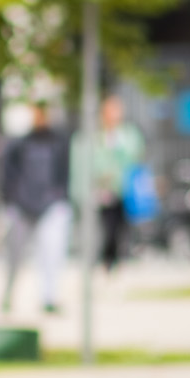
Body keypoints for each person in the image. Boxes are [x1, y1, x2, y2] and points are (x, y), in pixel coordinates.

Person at [0, 102, 71, 315]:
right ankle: (8, 295)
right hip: (22, 206)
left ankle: (48, 296)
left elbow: (63, 175)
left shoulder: (59, 142)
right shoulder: (20, 143)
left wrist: (59, 199)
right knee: (14, 255)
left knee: (51, 253)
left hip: (49, 205)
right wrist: (12, 201)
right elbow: (8, 175)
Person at [72, 94, 146, 270]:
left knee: (122, 226)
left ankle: (118, 260)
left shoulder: (127, 134)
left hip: (125, 189)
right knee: (107, 226)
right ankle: (107, 262)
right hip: (104, 190)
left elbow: (135, 155)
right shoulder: (96, 136)